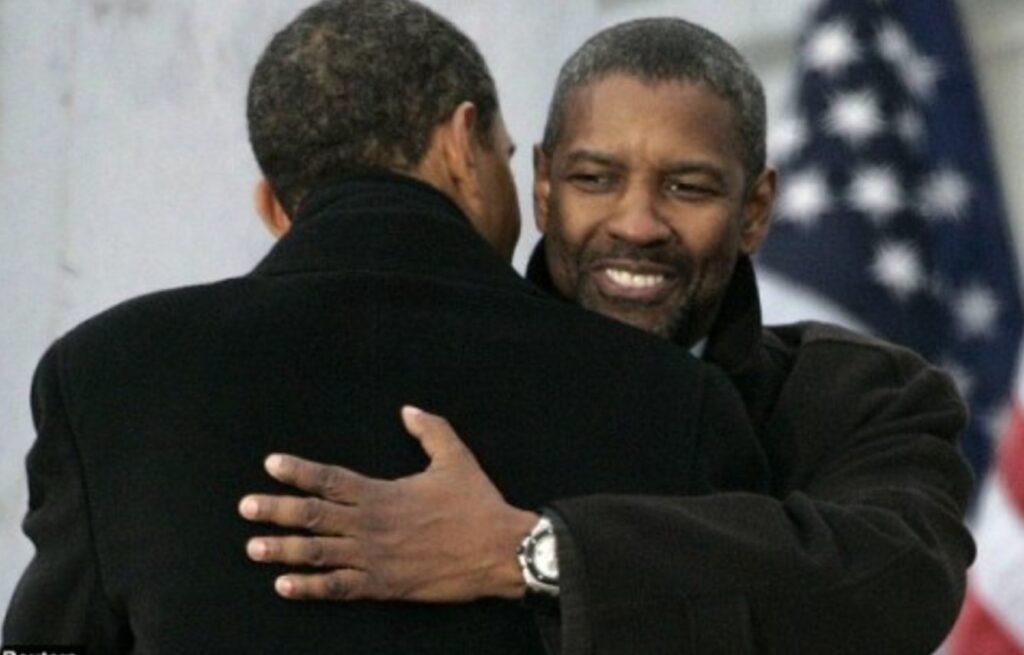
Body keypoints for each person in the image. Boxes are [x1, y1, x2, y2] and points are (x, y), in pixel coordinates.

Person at [2, 2, 770, 653]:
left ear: (274, 207)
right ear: (461, 146)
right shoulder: (674, 397)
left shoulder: (106, 374)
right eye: (506, 157)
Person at [239, 17, 977, 655]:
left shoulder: (859, 393)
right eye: (595, 178)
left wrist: (530, 551)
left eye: (687, 187)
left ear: (754, 209)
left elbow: (897, 574)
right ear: (542, 186)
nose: (636, 223)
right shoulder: (428, 383)